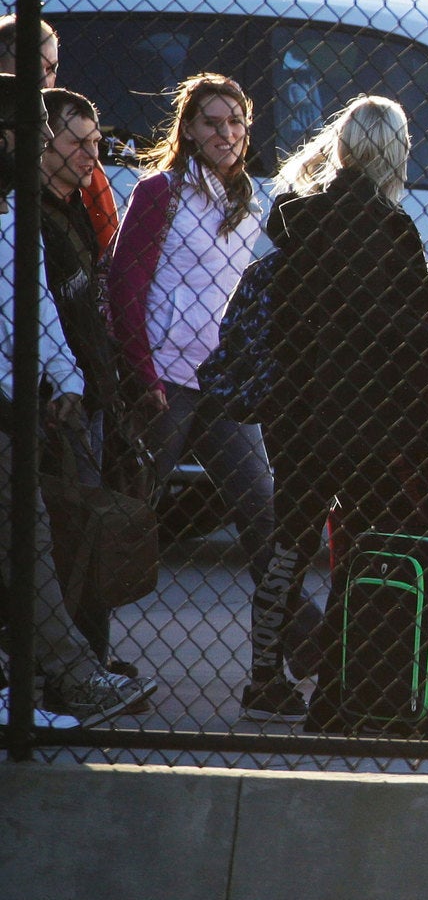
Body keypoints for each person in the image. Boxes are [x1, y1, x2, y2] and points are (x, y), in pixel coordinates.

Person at [252, 96, 428, 715]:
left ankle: (264, 678)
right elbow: (382, 318)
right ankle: (351, 675)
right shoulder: (389, 227)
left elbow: (339, 304)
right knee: (370, 540)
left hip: (296, 403)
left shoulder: (297, 217)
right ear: (396, 151)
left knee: (290, 543)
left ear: (342, 147)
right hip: (364, 414)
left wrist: (419, 293)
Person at [104, 74, 285, 717]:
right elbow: (126, 285)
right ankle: (85, 658)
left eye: (235, 122)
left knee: (265, 513)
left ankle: (280, 670)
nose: (226, 135)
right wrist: (142, 374)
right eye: (211, 122)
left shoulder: (253, 198)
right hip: (164, 385)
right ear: (187, 129)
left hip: (221, 385)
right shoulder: (160, 192)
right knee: (126, 513)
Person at [0, 93, 154, 724]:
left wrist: (65, 378)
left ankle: (48, 676)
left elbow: (41, 313)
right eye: (38, 135)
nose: (45, 149)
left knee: (37, 536)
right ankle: (70, 672)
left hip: (21, 405)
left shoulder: (16, 217)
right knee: (30, 540)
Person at [39, 89, 153, 665]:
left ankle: (93, 654)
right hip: (55, 394)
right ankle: (75, 661)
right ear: (42, 142)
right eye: (76, 142)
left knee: (96, 530)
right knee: (70, 531)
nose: (91, 155)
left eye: (95, 142)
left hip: (94, 384)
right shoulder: (29, 214)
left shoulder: (78, 206)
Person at [0, 14, 117, 256]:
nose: (43, 79)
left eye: (51, 68)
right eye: (31, 66)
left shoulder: (82, 153)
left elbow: (107, 246)